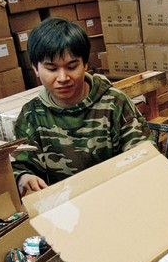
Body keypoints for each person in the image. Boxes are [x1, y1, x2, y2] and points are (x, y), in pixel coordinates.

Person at [12, 17, 151, 196]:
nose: (62, 78)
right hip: (62, 209)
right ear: (36, 69)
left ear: (85, 64)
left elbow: (143, 152)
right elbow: (19, 164)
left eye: (71, 66)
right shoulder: (31, 115)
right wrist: (23, 177)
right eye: (52, 69)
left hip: (117, 196)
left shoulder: (114, 103)